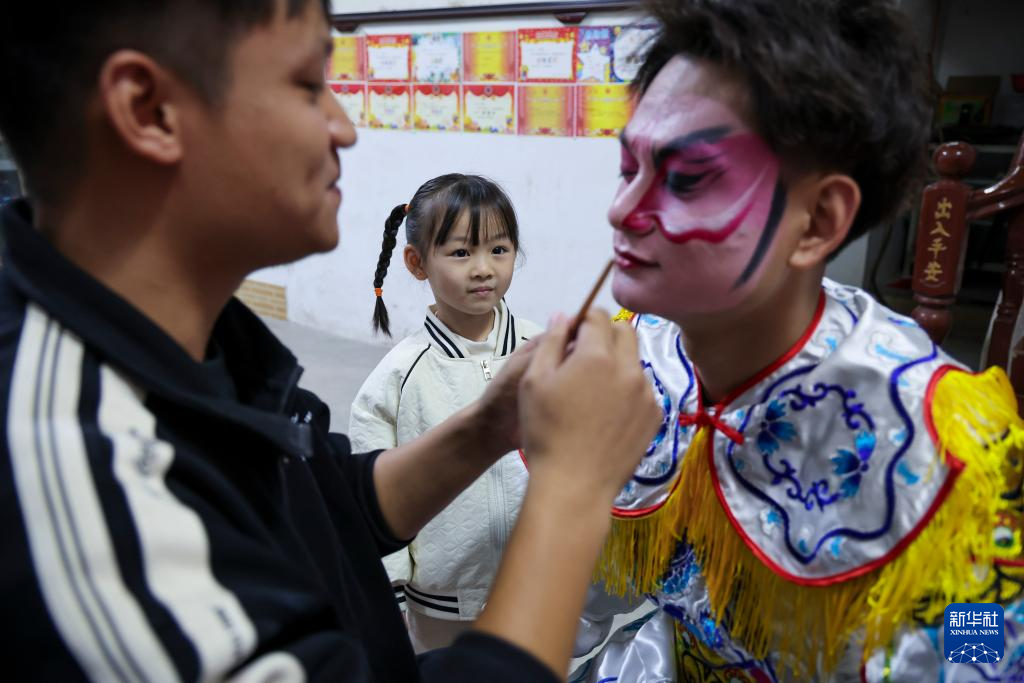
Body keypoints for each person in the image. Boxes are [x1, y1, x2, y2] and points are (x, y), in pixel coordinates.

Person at [0, 1, 660, 680]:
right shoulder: (85, 482)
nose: (343, 127)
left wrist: (491, 425)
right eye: (308, 85)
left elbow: (325, 505)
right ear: (150, 111)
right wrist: (573, 486)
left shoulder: (206, 345)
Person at [573, 0, 1024, 681]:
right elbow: (580, 592)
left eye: (686, 178)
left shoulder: (943, 438)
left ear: (817, 221)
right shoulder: (634, 356)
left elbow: (982, 651)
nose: (621, 209)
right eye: (627, 166)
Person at [349, 174, 543, 651]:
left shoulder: (541, 351)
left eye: (499, 249)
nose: (483, 269)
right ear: (417, 263)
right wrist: (390, 592)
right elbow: (372, 499)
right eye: (460, 253)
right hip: (443, 606)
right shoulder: (397, 377)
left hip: (536, 585)